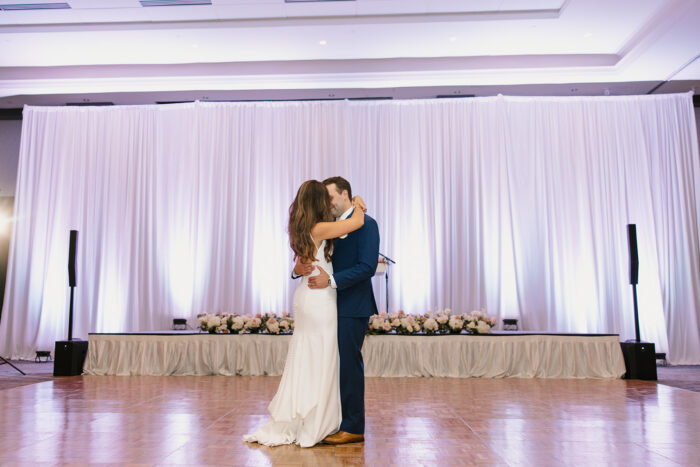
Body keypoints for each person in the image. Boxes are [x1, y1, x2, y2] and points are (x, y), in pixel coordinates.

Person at [242, 179, 365, 448]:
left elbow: (301, 264)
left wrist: (299, 267)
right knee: (322, 357)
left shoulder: (302, 227)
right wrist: (357, 204)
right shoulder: (320, 227)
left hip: (308, 296)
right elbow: (355, 223)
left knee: (308, 357)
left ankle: (307, 415)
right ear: (319, 202)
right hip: (319, 299)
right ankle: (317, 419)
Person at [300, 176, 380, 445]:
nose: (327, 203)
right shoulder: (332, 226)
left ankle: (354, 427)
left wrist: (331, 281)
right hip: (330, 306)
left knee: (349, 365)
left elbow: (367, 267)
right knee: (334, 365)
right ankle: (335, 420)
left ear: (345, 194)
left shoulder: (367, 225)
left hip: (354, 306)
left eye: (330, 197)